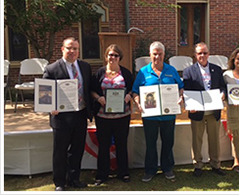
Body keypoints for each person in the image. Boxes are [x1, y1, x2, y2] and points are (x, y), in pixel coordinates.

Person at [43, 37, 92, 191]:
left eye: (75, 49)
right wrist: (50, 107)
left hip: (80, 114)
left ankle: (74, 179)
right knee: (60, 151)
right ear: (62, 49)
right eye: (69, 48)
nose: (73, 51)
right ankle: (59, 182)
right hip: (61, 117)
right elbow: (45, 93)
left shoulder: (85, 67)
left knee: (77, 150)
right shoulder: (52, 69)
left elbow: (88, 89)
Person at [132, 41, 184, 182]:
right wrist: (138, 102)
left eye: (160, 54)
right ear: (150, 55)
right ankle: (150, 170)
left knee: (168, 142)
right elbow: (135, 91)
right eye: (155, 54)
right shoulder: (143, 72)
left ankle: (167, 168)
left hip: (168, 114)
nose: (157, 57)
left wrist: (180, 96)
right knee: (150, 143)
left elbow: (180, 86)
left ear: (164, 55)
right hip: (150, 115)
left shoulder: (171, 70)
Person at [91, 44, 133, 185]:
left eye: (115, 55)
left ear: (119, 57)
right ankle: (102, 175)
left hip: (122, 116)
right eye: (110, 54)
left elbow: (133, 89)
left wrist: (129, 96)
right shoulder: (99, 73)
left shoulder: (126, 73)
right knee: (103, 145)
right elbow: (91, 90)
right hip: (103, 117)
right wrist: (98, 98)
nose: (113, 57)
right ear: (106, 56)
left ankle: (124, 173)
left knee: (121, 144)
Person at [183, 42, 227, 177]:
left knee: (214, 139)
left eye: (205, 53)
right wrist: (190, 106)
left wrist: (223, 94)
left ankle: (215, 164)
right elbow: (187, 91)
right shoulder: (188, 71)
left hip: (213, 111)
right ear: (195, 55)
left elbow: (222, 86)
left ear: (209, 54)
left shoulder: (217, 69)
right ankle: (198, 165)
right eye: (199, 53)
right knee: (197, 140)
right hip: (197, 112)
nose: (202, 55)